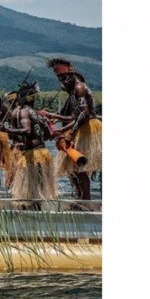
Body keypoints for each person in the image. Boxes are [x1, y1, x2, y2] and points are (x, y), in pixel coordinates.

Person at [41, 58, 102, 201]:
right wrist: (54, 118)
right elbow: (74, 117)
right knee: (74, 169)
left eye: (63, 78)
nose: (62, 82)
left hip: (88, 130)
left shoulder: (79, 87)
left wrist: (71, 133)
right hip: (81, 127)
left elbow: (84, 114)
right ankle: (80, 198)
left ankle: (85, 201)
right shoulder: (73, 91)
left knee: (80, 169)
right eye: (59, 79)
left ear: (71, 75)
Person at [0, 82, 58, 208]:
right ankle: (37, 210)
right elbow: (48, 136)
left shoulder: (24, 112)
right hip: (43, 153)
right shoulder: (38, 114)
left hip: (32, 155)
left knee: (28, 188)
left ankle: (31, 212)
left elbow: (27, 131)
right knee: (37, 187)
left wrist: (7, 131)